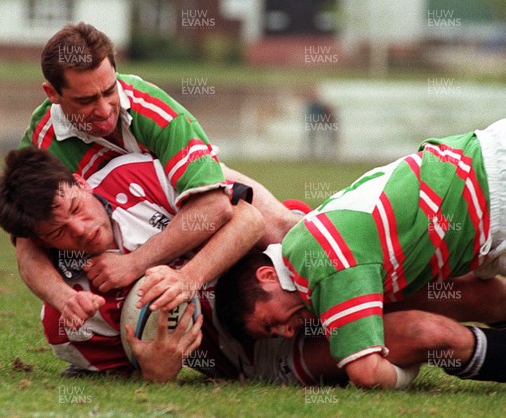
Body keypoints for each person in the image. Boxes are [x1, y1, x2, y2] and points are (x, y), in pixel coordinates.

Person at [0, 149, 495, 388]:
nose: (79, 231)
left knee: (465, 293)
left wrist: (175, 273)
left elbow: (249, 217)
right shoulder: (71, 322)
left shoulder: (138, 175)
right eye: (58, 233)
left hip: (281, 271)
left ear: (79, 182)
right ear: (30, 241)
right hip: (251, 350)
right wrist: (157, 372)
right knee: (423, 330)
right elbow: (135, 379)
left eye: (76, 208)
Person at [16, 22, 300, 324]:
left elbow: (213, 206)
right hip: (116, 231)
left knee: (283, 231)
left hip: (175, 200)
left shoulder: (156, 111)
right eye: (86, 101)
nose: (104, 109)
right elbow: (27, 248)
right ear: (53, 93)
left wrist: (135, 264)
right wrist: (67, 299)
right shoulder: (40, 147)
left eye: (109, 91)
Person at [216, 119, 506, 388]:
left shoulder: (323, 267)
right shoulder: (302, 238)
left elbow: (367, 373)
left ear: (267, 276)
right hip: (483, 173)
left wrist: (407, 371)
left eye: (271, 324)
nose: (287, 333)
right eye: (276, 335)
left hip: (493, 191)